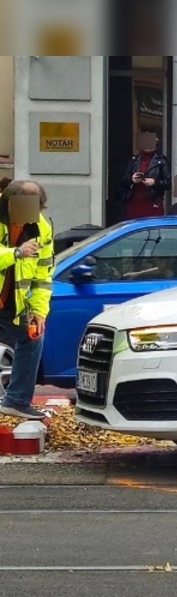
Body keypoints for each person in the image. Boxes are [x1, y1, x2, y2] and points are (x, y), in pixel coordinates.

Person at [0, 180, 54, 420]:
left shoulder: (41, 227)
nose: (26, 219)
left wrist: (39, 311)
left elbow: (43, 274)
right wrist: (16, 252)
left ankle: (17, 400)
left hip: (13, 300)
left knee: (32, 336)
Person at [117, 132, 171, 220]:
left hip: (153, 202)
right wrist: (132, 180)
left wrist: (155, 182)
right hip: (134, 201)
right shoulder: (134, 160)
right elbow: (123, 181)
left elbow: (168, 183)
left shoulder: (161, 160)